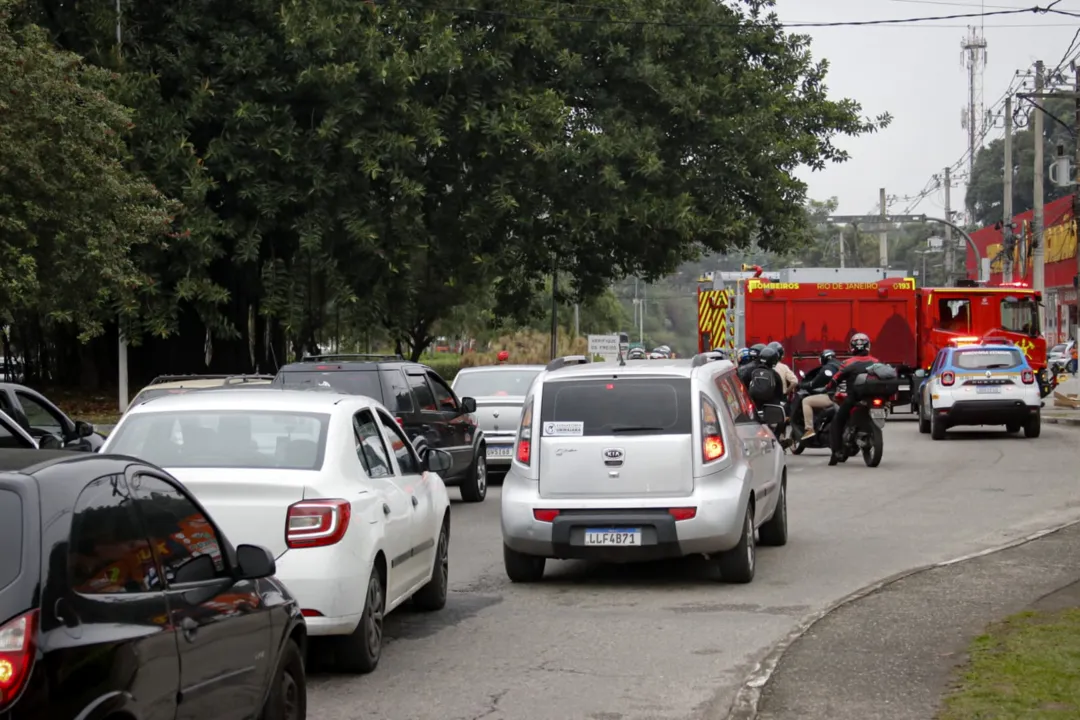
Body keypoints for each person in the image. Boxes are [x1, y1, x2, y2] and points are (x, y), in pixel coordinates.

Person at [825, 333, 879, 464]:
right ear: (868, 346)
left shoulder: (848, 363)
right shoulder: (876, 362)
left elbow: (835, 379)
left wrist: (828, 387)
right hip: (874, 399)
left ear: (852, 347)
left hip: (853, 399)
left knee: (837, 422)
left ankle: (836, 452)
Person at [799, 349, 840, 440]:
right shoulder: (841, 365)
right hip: (844, 397)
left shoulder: (828, 368)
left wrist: (802, 385)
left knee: (806, 401)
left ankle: (809, 429)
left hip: (833, 398)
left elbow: (814, 383)